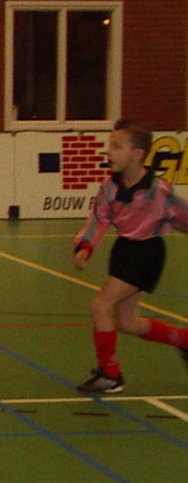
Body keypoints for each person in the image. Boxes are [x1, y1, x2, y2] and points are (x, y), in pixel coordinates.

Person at [72, 120, 188, 394]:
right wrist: (86, 245)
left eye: (116, 146)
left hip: (147, 253)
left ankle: (111, 375)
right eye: (109, 145)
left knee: (100, 306)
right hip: (123, 250)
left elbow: (182, 216)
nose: (109, 151)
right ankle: (184, 340)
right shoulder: (109, 186)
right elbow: (99, 218)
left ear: (137, 154)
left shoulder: (157, 190)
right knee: (127, 323)